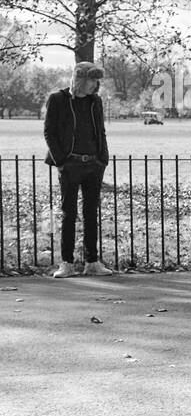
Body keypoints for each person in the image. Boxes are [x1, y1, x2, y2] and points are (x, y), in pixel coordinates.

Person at [43, 62, 113, 278]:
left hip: (93, 164)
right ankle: (67, 263)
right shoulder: (58, 99)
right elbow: (49, 132)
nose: (96, 85)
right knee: (69, 214)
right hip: (70, 164)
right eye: (92, 80)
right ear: (81, 80)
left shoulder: (95, 101)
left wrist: (103, 158)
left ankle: (92, 261)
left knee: (91, 213)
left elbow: (100, 131)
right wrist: (61, 162)